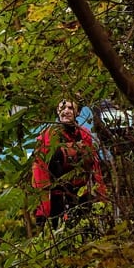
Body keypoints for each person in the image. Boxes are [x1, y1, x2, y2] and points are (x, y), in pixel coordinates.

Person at [31, 98, 107, 229]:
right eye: (62, 108)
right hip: (56, 197)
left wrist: (101, 193)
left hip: (81, 194)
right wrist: (43, 208)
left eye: (70, 108)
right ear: (57, 111)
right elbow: (39, 168)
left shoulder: (84, 134)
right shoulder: (47, 135)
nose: (66, 111)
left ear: (77, 112)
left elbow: (95, 165)